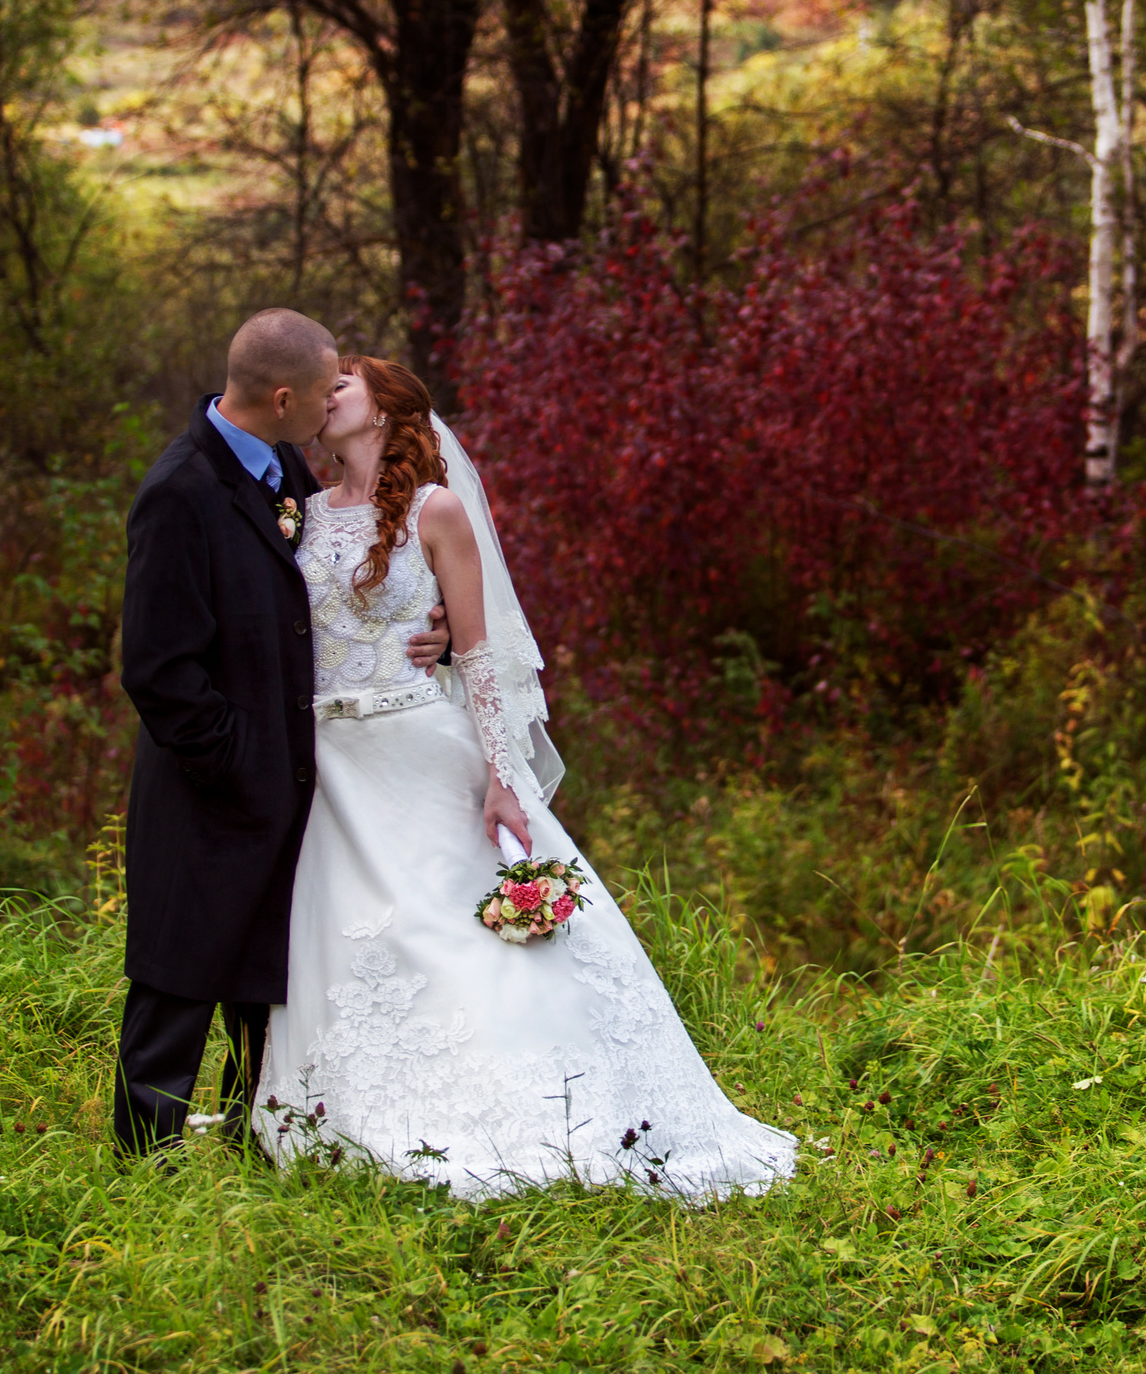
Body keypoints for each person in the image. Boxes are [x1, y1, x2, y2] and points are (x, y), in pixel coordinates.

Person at [251, 355, 795, 1200]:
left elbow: (476, 653)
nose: (326, 397)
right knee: (361, 938)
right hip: (333, 764)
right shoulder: (303, 514)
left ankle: (541, 1108)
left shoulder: (437, 510)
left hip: (420, 750)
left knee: (462, 934)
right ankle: (346, 1118)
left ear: (388, 409)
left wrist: (505, 777)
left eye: (343, 385)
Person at [111, 310, 449, 1156]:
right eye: (326, 388)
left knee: (272, 982)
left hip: (292, 781)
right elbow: (159, 672)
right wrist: (242, 760)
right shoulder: (180, 491)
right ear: (285, 395)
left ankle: (261, 1141)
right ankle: (136, 1166)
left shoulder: (283, 472)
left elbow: (324, 599)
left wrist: (429, 629)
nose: (333, 403)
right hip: (209, 785)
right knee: (178, 979)